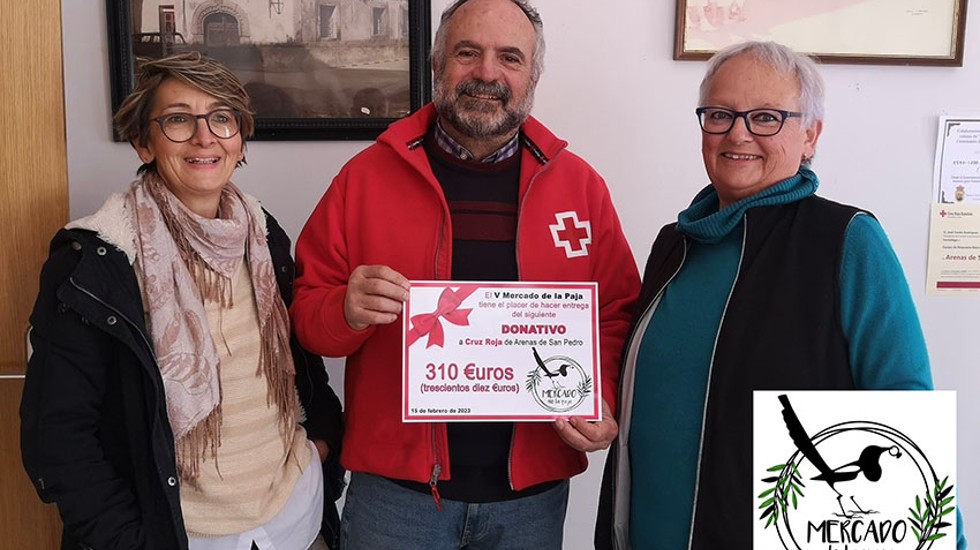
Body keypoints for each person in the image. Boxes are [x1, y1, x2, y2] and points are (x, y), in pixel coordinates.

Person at [290, 0, 640, 548]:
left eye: (510, 57)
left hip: (530, 499)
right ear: (437, 65)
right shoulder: (364, 180)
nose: (487, 73)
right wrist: (345, 311)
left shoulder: (580, 187)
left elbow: (616, 314)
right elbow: (308, 318)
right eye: (468, 52)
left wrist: (606, 398)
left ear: (533, 75)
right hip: (396, 498)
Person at [595, 41, 967, 549]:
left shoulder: (846, 240)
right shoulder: (674, 243)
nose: (738, 133)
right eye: (720, 114)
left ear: (810, 135)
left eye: (766, 117)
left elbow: (903, 403)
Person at [20, 52, 344, 550]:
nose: (204, 137)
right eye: (177, 120)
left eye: (221, 117)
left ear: (240, 139)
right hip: (180, 534)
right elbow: (59, 434)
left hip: (292, 517)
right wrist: (130, 540)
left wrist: (324, 446)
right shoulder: (96, 262)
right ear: (142, 142)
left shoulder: (263, 234)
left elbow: (300, 363)